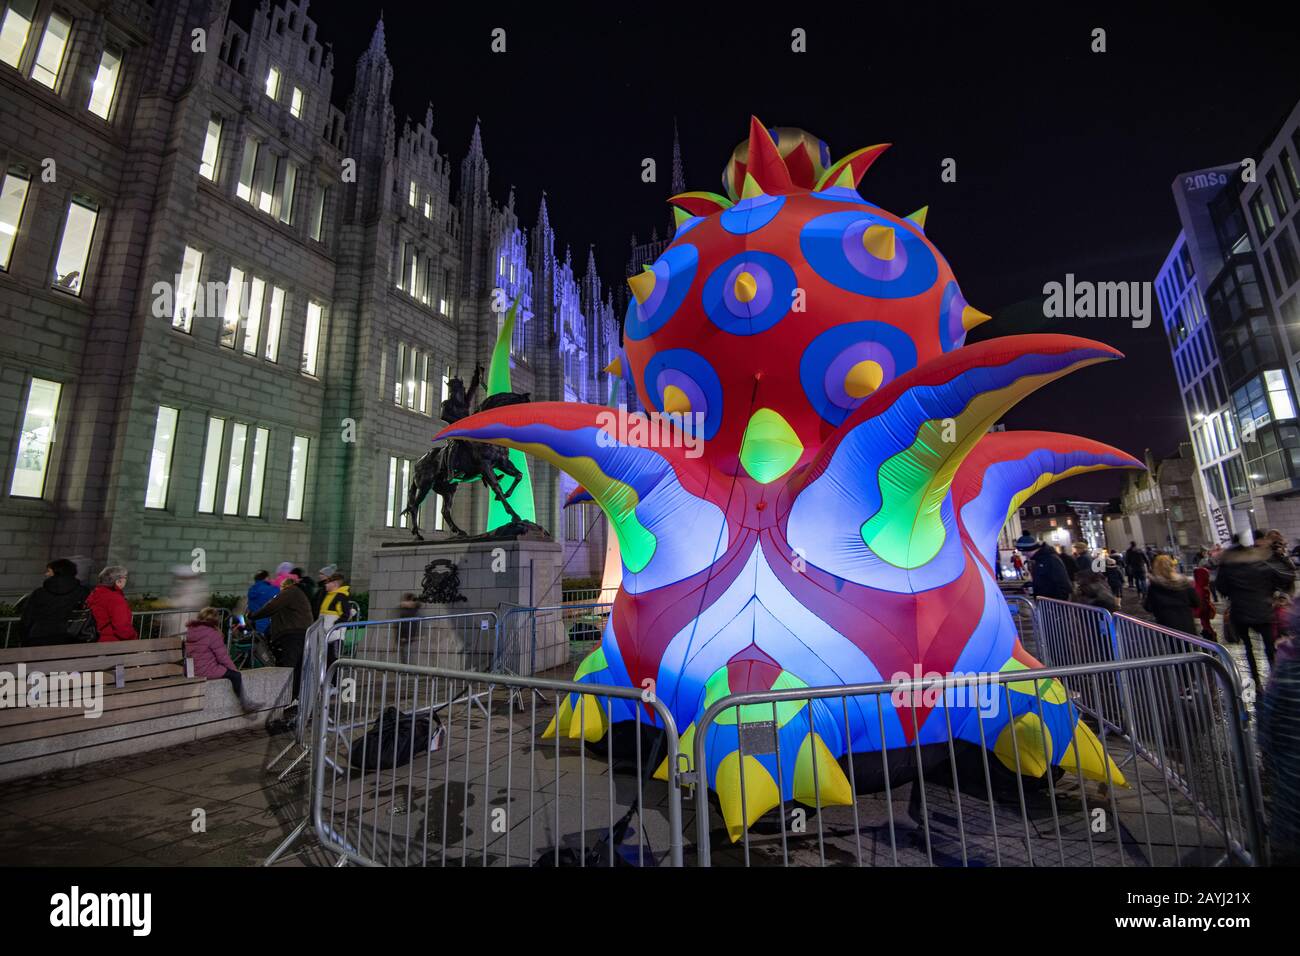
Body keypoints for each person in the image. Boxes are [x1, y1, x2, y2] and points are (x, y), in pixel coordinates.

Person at [1216, 529, 1297, 688]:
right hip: (1263, 610)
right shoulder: (1260, 560)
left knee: (1248, 649)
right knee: (1269, 648)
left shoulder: (1228, 564)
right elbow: (1285, 576)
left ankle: (1256, 681)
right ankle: (1275, 679)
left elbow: (1221, 587)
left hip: (1240, 612)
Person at [246, 577, 314, 700]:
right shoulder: (297, 595)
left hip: (292, 636)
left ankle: (287, 699)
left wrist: (253, 616)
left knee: (289, 667)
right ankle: (294, 698)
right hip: (299, 635)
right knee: (296, 668)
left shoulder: (290, 592)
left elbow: (271, 606)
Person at [185, 607, 254, 710]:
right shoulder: (213, 633)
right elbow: (223, 657)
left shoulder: (191, 631)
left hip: (191, 669)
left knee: (226, 670)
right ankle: (244, 704)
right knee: (236, 675)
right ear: (215, 619)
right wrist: (234, 669)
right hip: (205, 670)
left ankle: (246, 703)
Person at [18, 559, 91, 647]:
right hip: (69, 639)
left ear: (57, 572)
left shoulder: (39, 593)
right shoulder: (83, 593)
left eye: (49, 571)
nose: (46, 574)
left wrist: (23, 638)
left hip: (38, 637)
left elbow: (27, 618)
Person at [1143, 554, 1200, 635]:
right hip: (1187, 625)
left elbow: (1148, 607)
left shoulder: (1154, 586)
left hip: (1167, 627)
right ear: (1172, 566)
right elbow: (1196, 602)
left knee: (1173, 647)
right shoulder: (1184, 583)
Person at [87, 566, 138, 642]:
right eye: (125, 578)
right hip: (112, 643)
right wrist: (134, 637)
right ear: (118, 581)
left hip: (94, 639)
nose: (126, 581)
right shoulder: (116, 599)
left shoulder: (95, 593)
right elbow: (122, 628)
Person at [1017, 534, 1071, 601]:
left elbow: (1063, 585)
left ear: (1029, 549)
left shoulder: (1051, 560)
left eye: (1024, 552)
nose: (1023, 554)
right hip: (1045, 603)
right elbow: (1045, 581)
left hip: (1054, 604)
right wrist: (1032, 585)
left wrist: (1058, 604)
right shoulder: (1039, 560)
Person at [246, 570, 277, 636]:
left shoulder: (251, 589)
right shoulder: (271, 589)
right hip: (267, 623)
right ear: (266, 578)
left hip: (254, 622)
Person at [1193, 566, 1217, 640]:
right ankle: (1211, 638)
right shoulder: (1203, 586)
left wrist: (1197, 612)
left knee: (1206, 625)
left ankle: (1211, 638)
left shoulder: (1199, 587)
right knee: (1206, 624)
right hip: (1204, 610)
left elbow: (1201, 601)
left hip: (1203, 610)